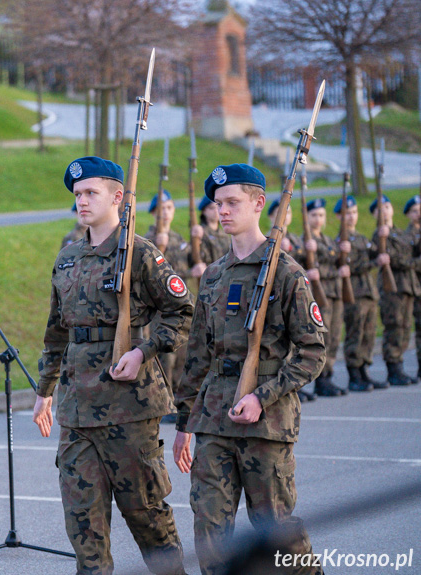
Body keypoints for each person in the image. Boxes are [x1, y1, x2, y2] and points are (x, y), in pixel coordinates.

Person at [34, 157, 191, 575]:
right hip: (76, 410)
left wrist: (143, 351)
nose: (81, 201)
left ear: (117, 197)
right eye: (77, 195)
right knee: (84, 527)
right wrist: (43, 392)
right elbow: (56, 332)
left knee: (149, 519)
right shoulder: (67, 259)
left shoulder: (142, 254)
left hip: (130, 409)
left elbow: (181, 313)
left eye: (90, 193)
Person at [174, 164, 325, 575]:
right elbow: (198, 356)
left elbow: (313, 351)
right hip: (213, 421)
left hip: (267, 423)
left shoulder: (287, 273)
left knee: (275, 531)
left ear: (259, 204)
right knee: (209, 532)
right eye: (217, 204)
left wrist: (262, 396)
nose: (222, 211)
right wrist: (184, 422)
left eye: (232, 203)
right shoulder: (213, 275)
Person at [145, 190, 192, 411]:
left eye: (169, 208)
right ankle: (164, 403)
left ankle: (178, 401)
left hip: (179, 305)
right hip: (159, 308)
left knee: (182, 355)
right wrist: (159, 247)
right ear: (153, 212)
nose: (165, 213)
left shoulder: (179, 239)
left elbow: (181, 272)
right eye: (161, 209)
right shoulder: (147, 239)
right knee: (166, 358)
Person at [334, 196, 386, 391]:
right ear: (339, 216)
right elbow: (353, 266)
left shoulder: (362, 238)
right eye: (347, 213)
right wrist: (375, 262)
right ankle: (354, 375)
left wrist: (381, 236)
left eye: (354, 212)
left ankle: (364, 371)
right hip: (354, 293)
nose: (352, 217)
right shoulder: (341, 241)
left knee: (369, 333)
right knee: (356, 333)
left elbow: (375, 252)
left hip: (369, 293)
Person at [268, 200, 316, 402]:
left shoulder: (296, 240)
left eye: (288, 211)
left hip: (299, 294)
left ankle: (296, 384)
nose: (285, 215)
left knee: (302, 340)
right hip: (278, 297)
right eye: (280, 212)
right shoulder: (267, 239)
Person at [303, 198, 349, 396]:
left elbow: (338, 264)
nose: (318, 219)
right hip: (318, 295)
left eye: (321, 215)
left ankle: (327, 376)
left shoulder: (329, 241)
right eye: (314, 215)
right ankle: (319, 378)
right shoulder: (305, 242)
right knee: (321, 337)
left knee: (334, 336)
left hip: (334, 293)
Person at [371, 196, 418, 386]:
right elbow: (394, 258)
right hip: (392, 288)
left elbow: (409, 252)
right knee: (394, 325)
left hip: (407, 285)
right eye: (381, 209)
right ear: (375, 214)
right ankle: (393, 367)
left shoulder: (400, 233)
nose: (385, 211)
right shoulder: (378, 235)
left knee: (405, 326)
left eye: (388, 207)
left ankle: (399, 364)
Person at [190, 196, 231, 280]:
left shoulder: (225, 234)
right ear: (204, 211)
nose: (216, 211)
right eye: (211, 208)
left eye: (218, 207)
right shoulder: (200, 234)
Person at [405, 195, 421, 382]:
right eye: (415, 211)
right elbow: (407, 262)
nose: (419, 214)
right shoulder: (407, 236)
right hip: (414, 285)